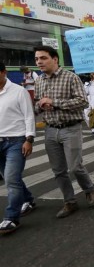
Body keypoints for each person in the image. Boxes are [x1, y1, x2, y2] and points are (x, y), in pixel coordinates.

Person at [33, 45, 94, 218]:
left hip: (71, 128)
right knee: (58, 170)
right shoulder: (39, 81)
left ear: (55, 59)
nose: (39, 62)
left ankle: (89, 188)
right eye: (37, 59)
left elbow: (82, 102)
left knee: (75, 166)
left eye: (43, 58)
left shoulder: (70, 77)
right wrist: (39, 105)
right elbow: (38, 105)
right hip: (50, 130)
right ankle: (69, 202)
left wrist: (55, 102)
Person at [0, 62, 36, 234]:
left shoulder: (19, 91)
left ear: (3, 72)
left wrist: (29, 139)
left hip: (16, 141)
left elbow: (29, 116)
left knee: (11, 179)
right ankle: (28, 199)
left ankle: (11, 217)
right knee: (9, 177)